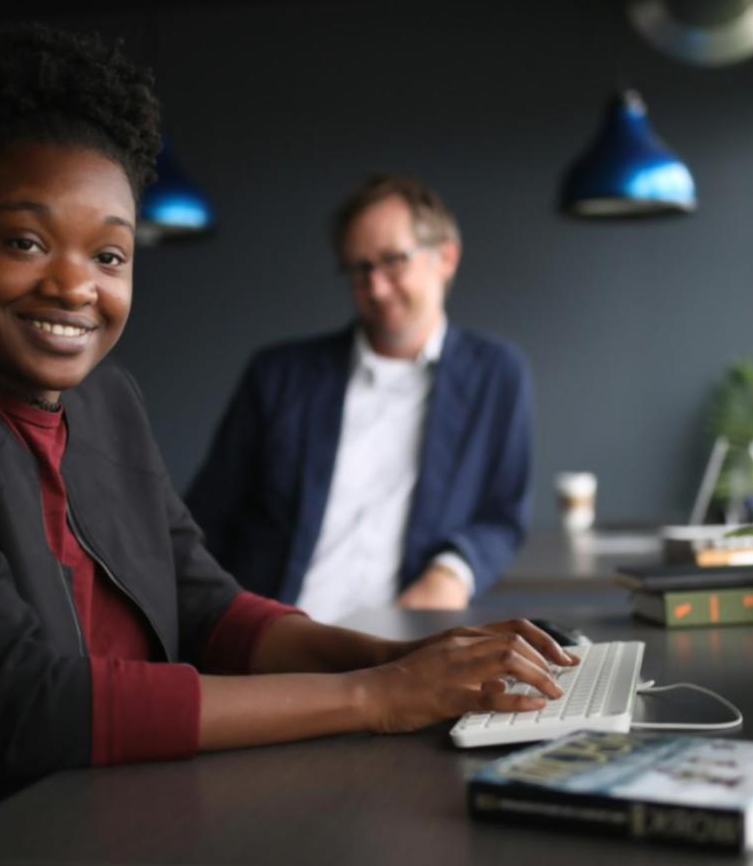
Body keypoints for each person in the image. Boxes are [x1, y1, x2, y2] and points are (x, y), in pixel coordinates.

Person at [0, 25, 569, 866]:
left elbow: (207, 606)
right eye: (25, 240)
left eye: (110, 255)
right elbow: (27, 703)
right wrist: (374, 694)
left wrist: (416, 664)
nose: (73, 285)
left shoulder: (108, 400)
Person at [185, 174, 532, 622]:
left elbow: (502, 516)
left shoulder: (495, 374)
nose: (376, 287)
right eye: (358, 268)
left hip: (407, 650)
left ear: (445, 257)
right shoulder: (278, 375)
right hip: (277, 644)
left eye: (393, 261)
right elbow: (205, 518)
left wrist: (452, 572)